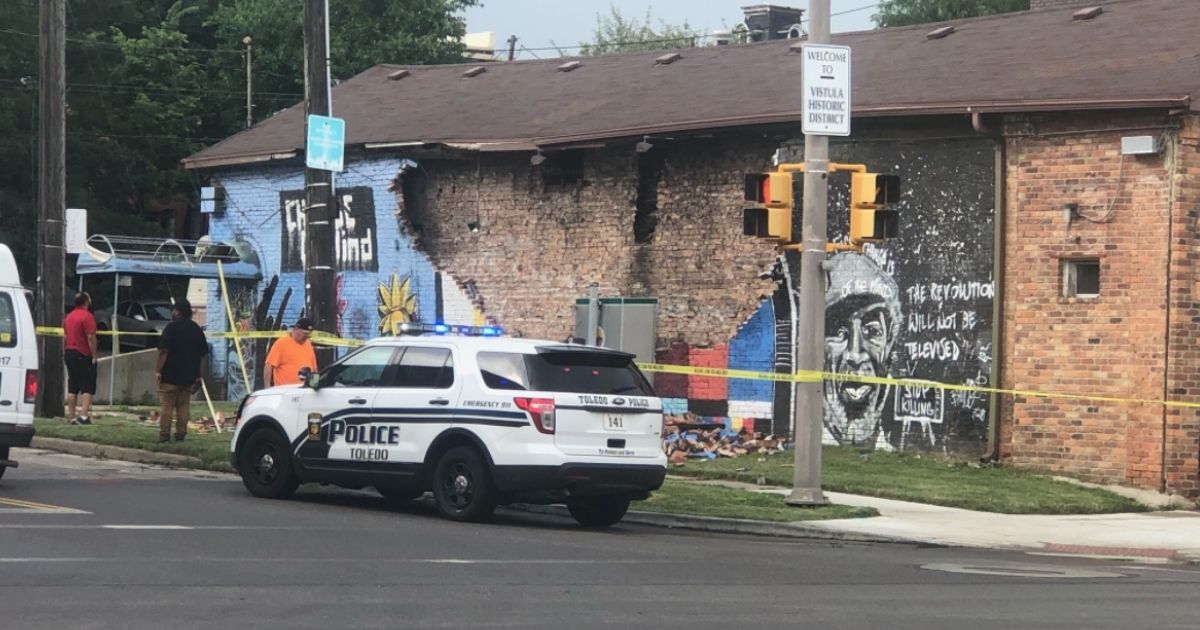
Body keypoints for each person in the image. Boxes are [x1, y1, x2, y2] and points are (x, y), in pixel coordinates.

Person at [823, 254, 903, 447]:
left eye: (873, 331)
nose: (855, 355)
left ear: (890, 352)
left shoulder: (893, 455)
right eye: (839, 333)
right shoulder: (806, 448)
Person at [155, 299, 209, 442]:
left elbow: (163, 351)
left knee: (167, 405)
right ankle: (181, 433)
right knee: (184, 405)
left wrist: (158, 370)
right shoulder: (196, 329)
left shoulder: (171, 328)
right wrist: (200, 376)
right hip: (189, 375)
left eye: (173, 310)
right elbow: (203, 354)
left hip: (169, 374)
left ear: (177, 311)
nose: (172, 312)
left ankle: (164, 434)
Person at [64, 292, 98, 425]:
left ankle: (71, 416)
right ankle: (83, 416)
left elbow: (65, 337)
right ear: (86, 302)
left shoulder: (69, 317)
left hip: (69, 352)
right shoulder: (87, 317)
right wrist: (94, 355)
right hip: (82, 353)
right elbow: (91, 337)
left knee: (72, 385)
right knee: (87, 385)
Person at [264, 317, 318, 387]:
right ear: (296, 329)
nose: (306, 337)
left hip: (305, 391)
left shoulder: (308, 344)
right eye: (304, 334)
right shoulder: (281, 343)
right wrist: (267, 388)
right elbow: (269, 366)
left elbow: (314, 369)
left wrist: (315, 386)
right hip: (285, 391)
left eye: (308, 335)